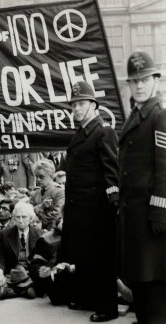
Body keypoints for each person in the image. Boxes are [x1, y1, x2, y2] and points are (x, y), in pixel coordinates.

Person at [60, 81, 119, 322]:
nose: (76, 108)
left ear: (94, 105)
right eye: (73, 105)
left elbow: (112, 169)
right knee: (83, 256)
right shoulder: (81, 133)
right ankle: (86, 298)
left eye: (81, 103)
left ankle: (108, 307)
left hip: (97, 207)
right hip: (80, 207)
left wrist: (113, 201)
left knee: (102, 259)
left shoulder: (103, 131)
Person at [118, 50, 166, 324]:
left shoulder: (159, 116)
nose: (138, 86)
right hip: (135, 217)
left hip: (152, 219)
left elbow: (165, 167)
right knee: (141, 286)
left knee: (155, 288)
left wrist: (160, 211)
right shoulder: (136, 116)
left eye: (144, 80)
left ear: (155, 81)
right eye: (134, 81)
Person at [0, 202, 44, 298]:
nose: (20, 220)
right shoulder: (4, 235)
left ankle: (13, 290)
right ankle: (27, 287)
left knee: (38, 277)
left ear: (31, 218)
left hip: (31, 271)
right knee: (10, 275)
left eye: (24, 217)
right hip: (12, 271)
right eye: (17, 217)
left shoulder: (40, 235)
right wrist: (0, 274)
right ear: (13, 218)